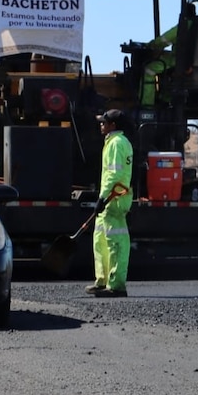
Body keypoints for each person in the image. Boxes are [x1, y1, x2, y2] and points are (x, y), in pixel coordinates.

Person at [85, 109, 134, 298]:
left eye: (104, 122)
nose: (101, 125)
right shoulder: (115, 142)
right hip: (111, 198)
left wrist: (102, 198)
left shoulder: (116, 144)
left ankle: (116, 285)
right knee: (100, 241)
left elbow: (114, 175)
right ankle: (102, 281)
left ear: (113, 125)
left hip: (115, 199)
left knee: (116, 243)